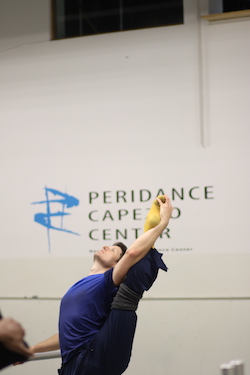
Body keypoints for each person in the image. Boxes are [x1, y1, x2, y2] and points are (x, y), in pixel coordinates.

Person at [18, 194, 173, 374]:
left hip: (93, 355)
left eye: (113, 250)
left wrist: (162, 223)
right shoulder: (78, 285)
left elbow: (132, 253)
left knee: (136, 272)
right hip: (72, 365)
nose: (106, 246)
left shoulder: (107, 280)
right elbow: (67, 336)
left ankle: (151, 240)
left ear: (117, 265)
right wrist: (32, 349)